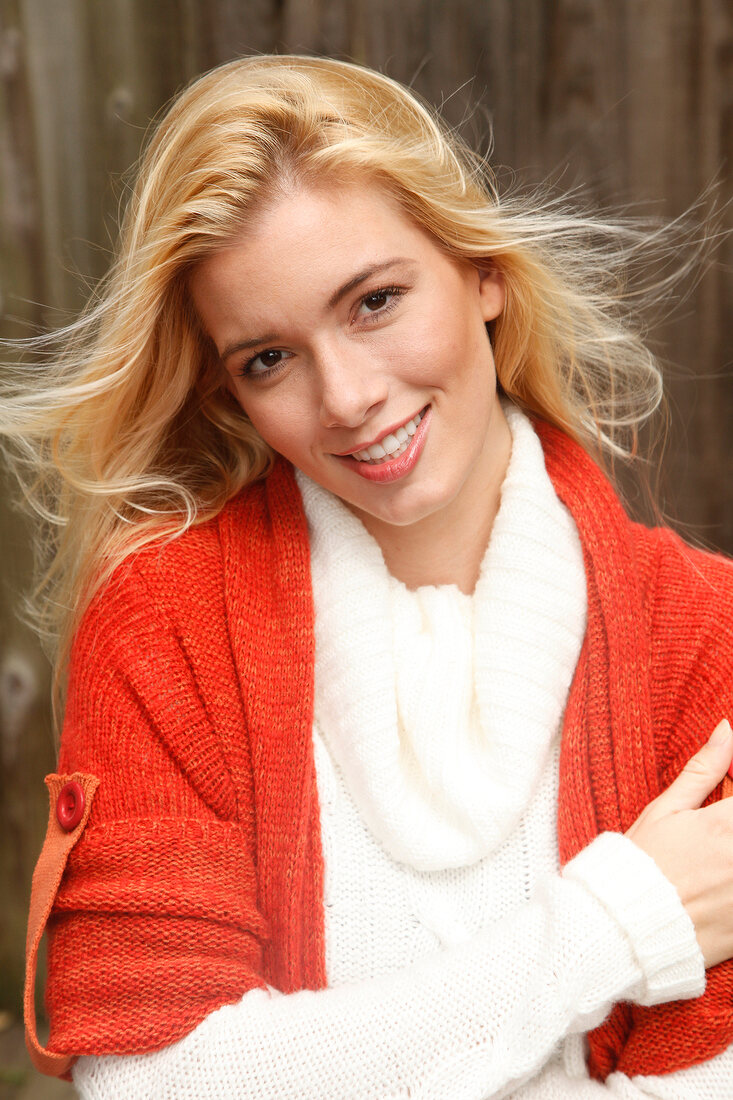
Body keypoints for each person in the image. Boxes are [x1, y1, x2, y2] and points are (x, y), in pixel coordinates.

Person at [3, 54, 733, 1099]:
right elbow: (150, 1079)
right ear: (228, 392)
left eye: (375, 300)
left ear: (483, 272)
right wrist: (609, 925)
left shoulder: (703, 633)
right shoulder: (165, 622)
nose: (344, 396)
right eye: (268, 357)